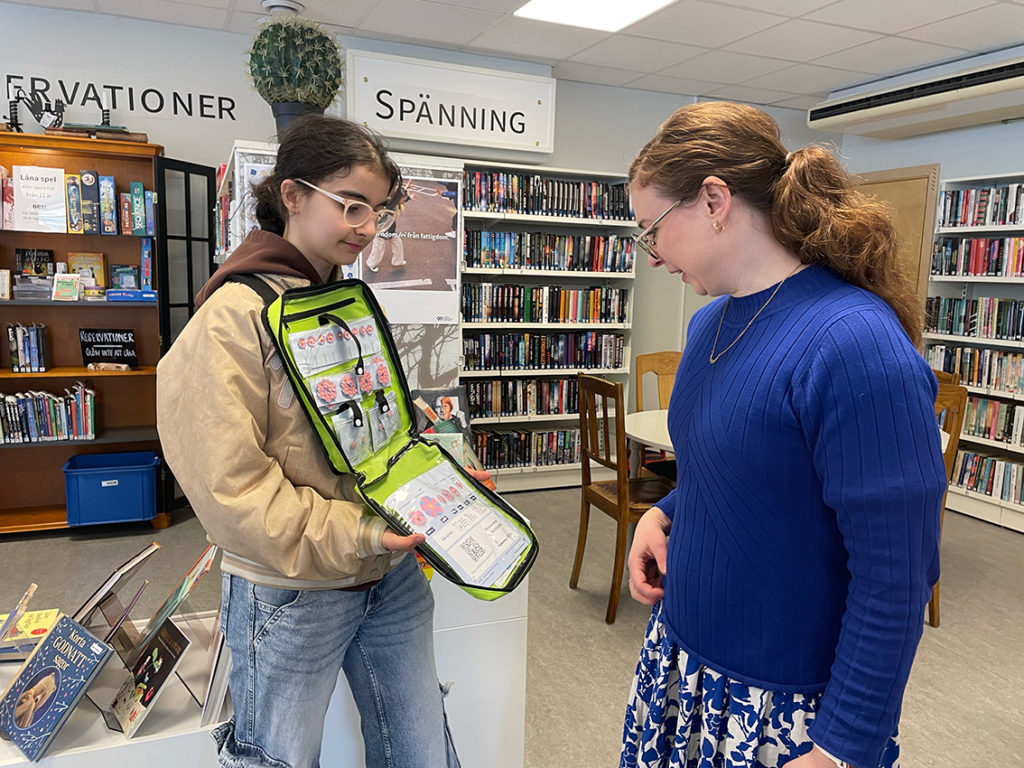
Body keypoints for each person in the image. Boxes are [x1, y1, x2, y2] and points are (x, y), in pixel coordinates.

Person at [621, 102, 946, 768]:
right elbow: (747, 462)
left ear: (714, 200)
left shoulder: (854, 342)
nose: (650, 256)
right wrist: (663, 511)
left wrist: (843, 746)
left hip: (782, 709)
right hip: (686, 661)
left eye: (651, 229)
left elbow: (897, 575)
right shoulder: (711, 326)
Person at [157, 116, 466, 768]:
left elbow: (371, 429)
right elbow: (230, 490)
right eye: (351, 204)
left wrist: (441, 484)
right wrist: (358, 534)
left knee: (421, 744)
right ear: (292, 195)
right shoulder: (233, 316)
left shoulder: (339, 299)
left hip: (387, 568)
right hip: (292, 588)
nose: (365, 226)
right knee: (275, 757)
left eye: (377, 211)